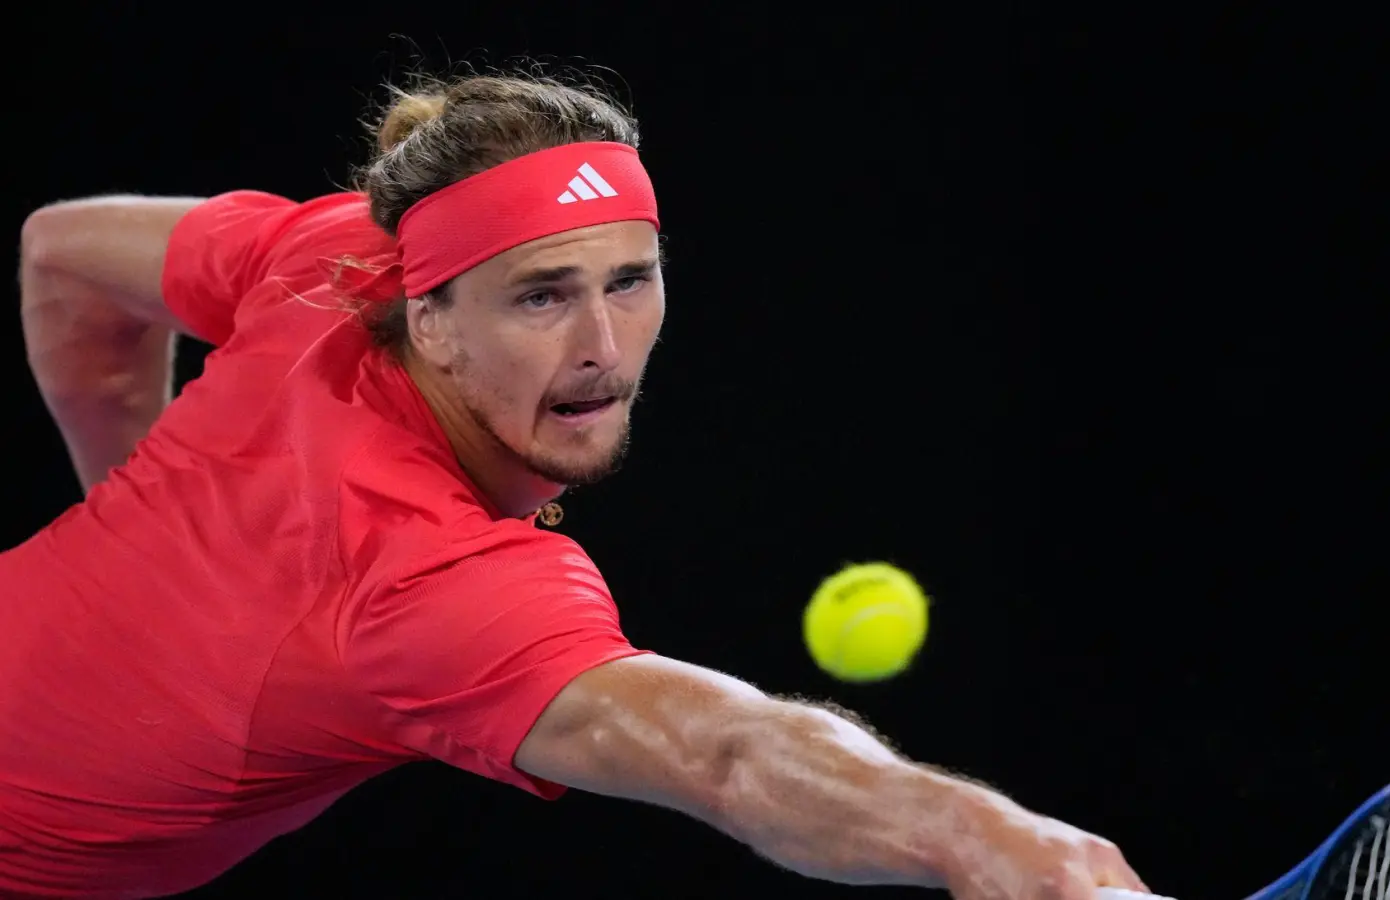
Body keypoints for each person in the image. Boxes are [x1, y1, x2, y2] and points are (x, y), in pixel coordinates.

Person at [3, 72, 1150, 899]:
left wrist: (132, 514)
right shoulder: (425, 582)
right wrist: (982, 837)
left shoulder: (327, 258)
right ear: (431, 316)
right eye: (542, 295)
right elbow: (730, 754)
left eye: (631, 280)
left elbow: (59, 252)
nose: (604, 344)